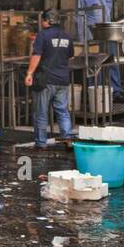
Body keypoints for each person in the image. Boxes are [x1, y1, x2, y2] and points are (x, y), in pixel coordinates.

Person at [25, 10, 76, 149]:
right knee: (63, 112)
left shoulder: (43, 35)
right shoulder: (67, 36)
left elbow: (36, 55)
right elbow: (71, 56)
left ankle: (41, 143)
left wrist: (29, 73)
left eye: (43, 20)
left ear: (47, 21)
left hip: (45, 80)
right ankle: (67, 138)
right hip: (63, 79)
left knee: (41, 113)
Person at [76, 0, 124, 101]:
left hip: (108, 34)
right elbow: (80, 17)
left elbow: (107, 11)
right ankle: (96, 94)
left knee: (112, 62)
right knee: (94, 65)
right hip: (93, 37)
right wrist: (82, 40)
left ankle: (116, 92)